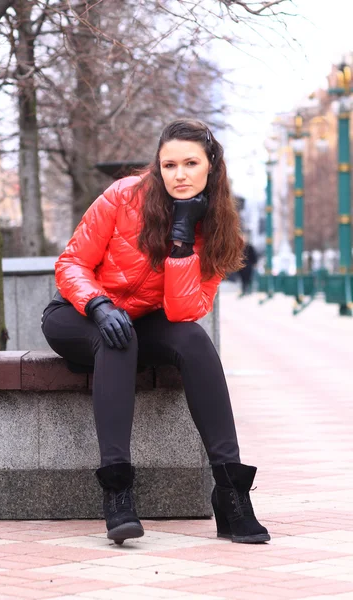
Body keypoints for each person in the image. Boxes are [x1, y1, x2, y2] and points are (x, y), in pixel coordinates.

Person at [41, 119, 270, 546]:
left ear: (211, 166)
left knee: (195, 343)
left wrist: (183, 238)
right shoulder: (123, 196)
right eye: (168, 165)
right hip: (78, 312)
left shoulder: (220, 230)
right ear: (158, 167)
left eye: (189, 163)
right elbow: (70, 264)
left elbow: (186, 312)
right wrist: (98, 304)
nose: (178, 174)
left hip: (141, 319)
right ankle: (117, 491)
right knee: (117, 336)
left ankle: (231, 493)